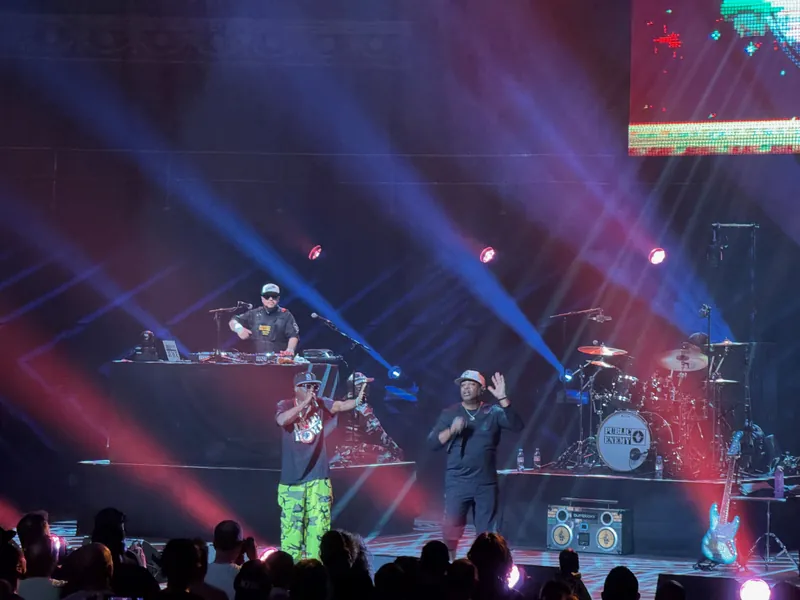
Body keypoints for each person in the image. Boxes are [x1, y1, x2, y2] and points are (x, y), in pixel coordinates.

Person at [428, 371, 523, 559]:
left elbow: (517, 426)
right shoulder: (450, 413)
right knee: (452, 526)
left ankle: (485, 566)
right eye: (463, 385)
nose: (466, 388)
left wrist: (503, 398)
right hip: (457, 481)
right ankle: (451, 562)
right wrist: (451, 430)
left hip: (485, 482)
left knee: (486, 533)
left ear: (481, 389)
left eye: (471, 384)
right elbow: (432, 443)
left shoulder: (493, 412)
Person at [276, 370, 360, 561]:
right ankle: (290, 574)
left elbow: (339, 405)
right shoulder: (285, 404)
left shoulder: (321, 403)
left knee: (319, 531)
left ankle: (317, 572)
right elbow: (282, 420)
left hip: (318, 477)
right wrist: (305, 404)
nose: (312, 390)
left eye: (314, 386)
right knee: (291, 532)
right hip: (292, 481)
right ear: (296, 388)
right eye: (307, 386)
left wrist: (357, 399)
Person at [229, 284, 299, 355]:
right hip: (254, 360)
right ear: (262, 298)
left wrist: (290, 350)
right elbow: (233, 321)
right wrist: (239, 329)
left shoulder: (286, 315)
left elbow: (293, 335)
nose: (270, 299)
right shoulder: (253, 313)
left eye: (274, 296)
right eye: (267, 296)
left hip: (278, 360)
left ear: (278, 298)